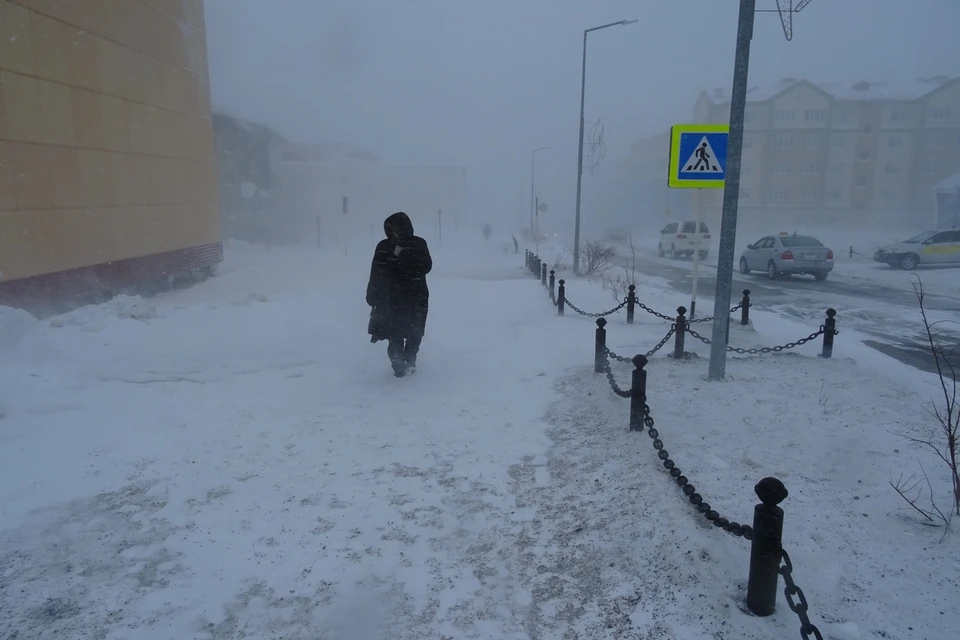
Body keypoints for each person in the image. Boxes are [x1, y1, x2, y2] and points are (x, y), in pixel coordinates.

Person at [366, 212, 433, 377]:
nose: (395, 232)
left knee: (414, 332)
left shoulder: (418, 243)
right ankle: (397, 363)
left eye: (397, 228)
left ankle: (410, 358)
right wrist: (372, 293)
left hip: (416, 297)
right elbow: (376, 270)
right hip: (391, 297)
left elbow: (425, 266)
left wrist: (402, 254)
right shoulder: (383, 246)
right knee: (394, 332)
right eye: (391, 228)